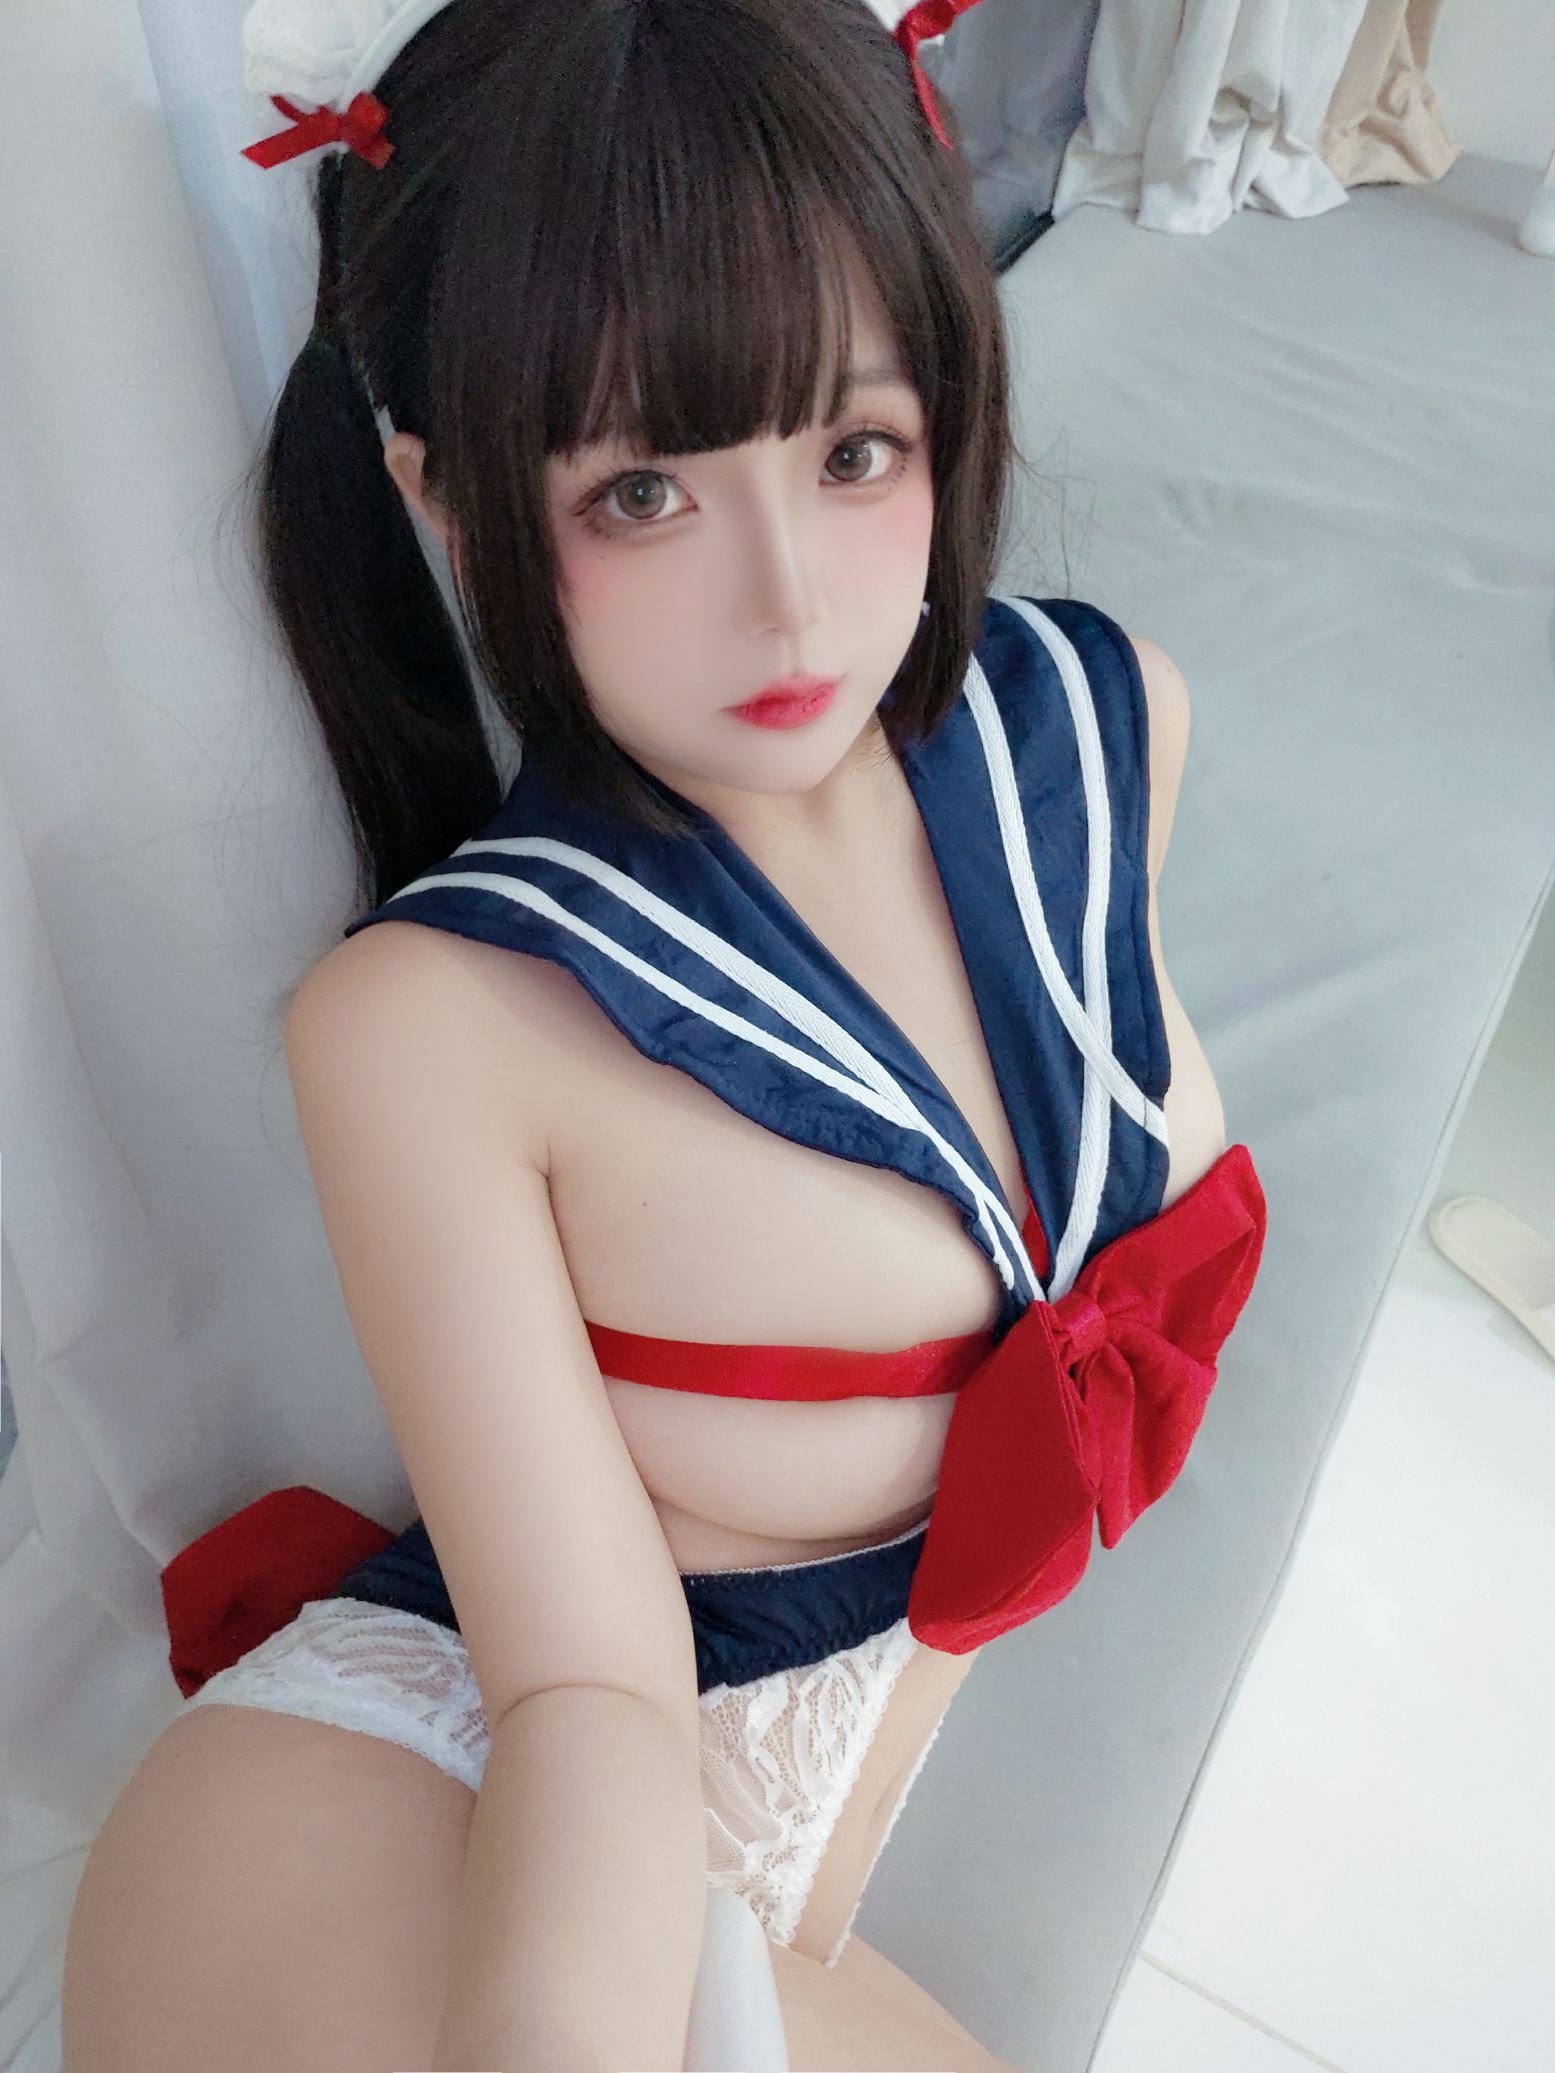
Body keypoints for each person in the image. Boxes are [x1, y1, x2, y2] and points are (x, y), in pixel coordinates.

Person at [60, 2, 1268, 2068]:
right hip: (435, 1805)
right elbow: (592, 1690)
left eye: (853, 451)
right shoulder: (437, 1025)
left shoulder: (1105, 723)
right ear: (447, 498)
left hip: (771, 1826)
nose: (786, 602)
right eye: (641, 492)